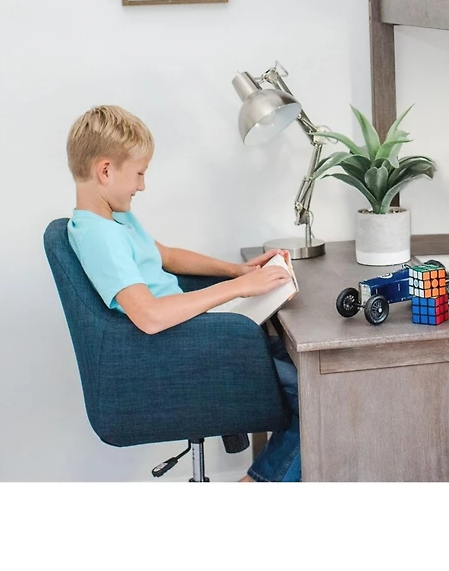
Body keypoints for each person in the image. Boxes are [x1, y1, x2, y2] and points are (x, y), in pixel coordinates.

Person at [65, 103, 300, 482]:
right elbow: (149, 315)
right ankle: (258, 484)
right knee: (317, 391)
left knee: (301, 371)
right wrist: (237, 288)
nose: (142, 185)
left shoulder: (115, 218)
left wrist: (239, 270)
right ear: (105, 170)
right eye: (139, 173)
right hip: (172, 351)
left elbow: (167, 256)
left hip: (194, 335)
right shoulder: (99, 236)